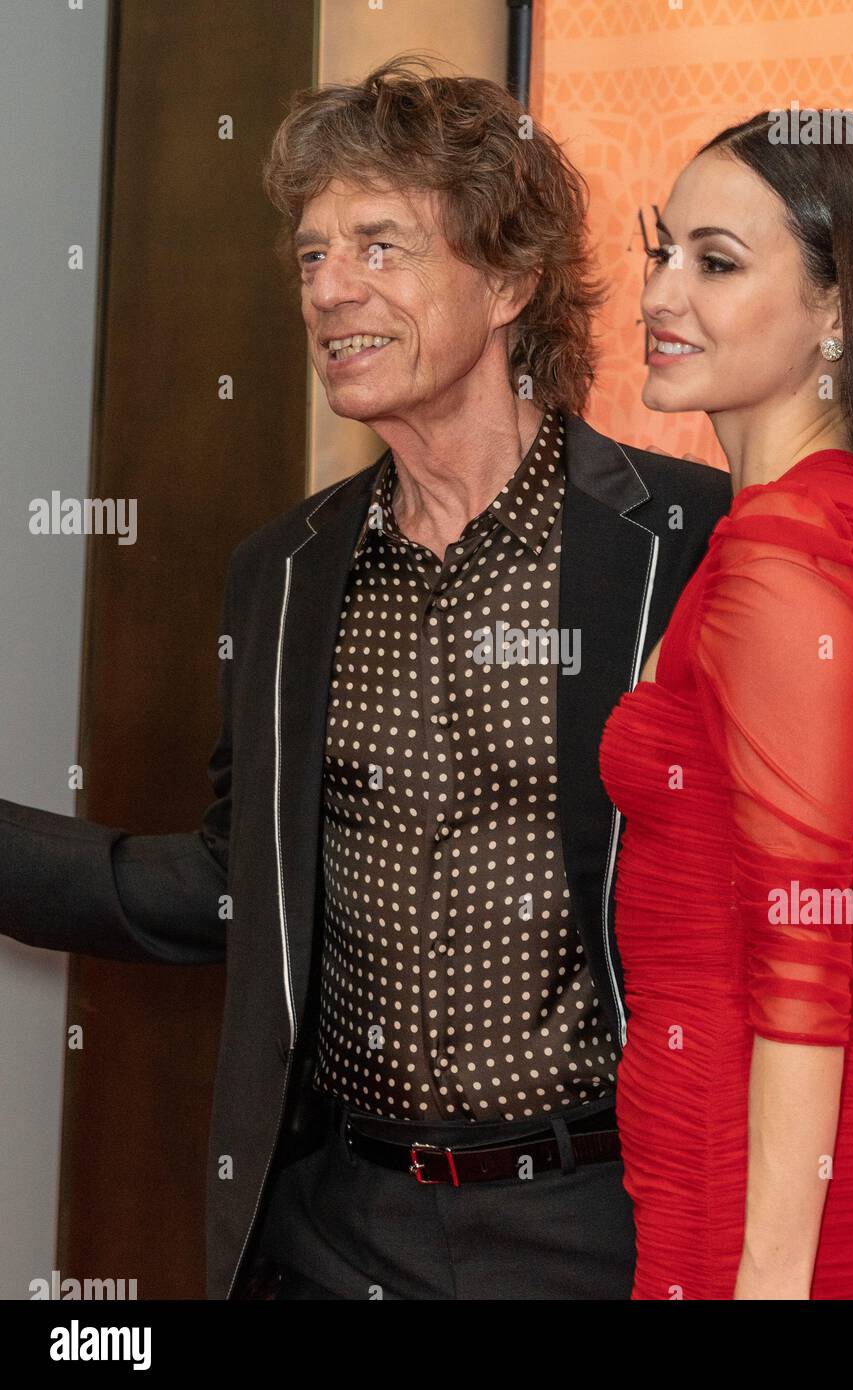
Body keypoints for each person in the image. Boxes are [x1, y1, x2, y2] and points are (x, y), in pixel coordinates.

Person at [0, 58, 731, 1300]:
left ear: (507, 277)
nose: (329, 290)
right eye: (309, 256)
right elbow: (235, 887)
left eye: (380, 247)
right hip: (334, 1231)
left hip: (596, 1225)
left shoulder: (682, 541)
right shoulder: (279, 575)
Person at [598, 110, 853, 1299]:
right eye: (660, 247)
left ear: (837, 309)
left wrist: (768, 1280)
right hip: (723, 1189)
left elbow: (802, 966)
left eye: (716, 263)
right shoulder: (797, 529)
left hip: (780, 1231)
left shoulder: (791, 551)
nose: (660, 291)